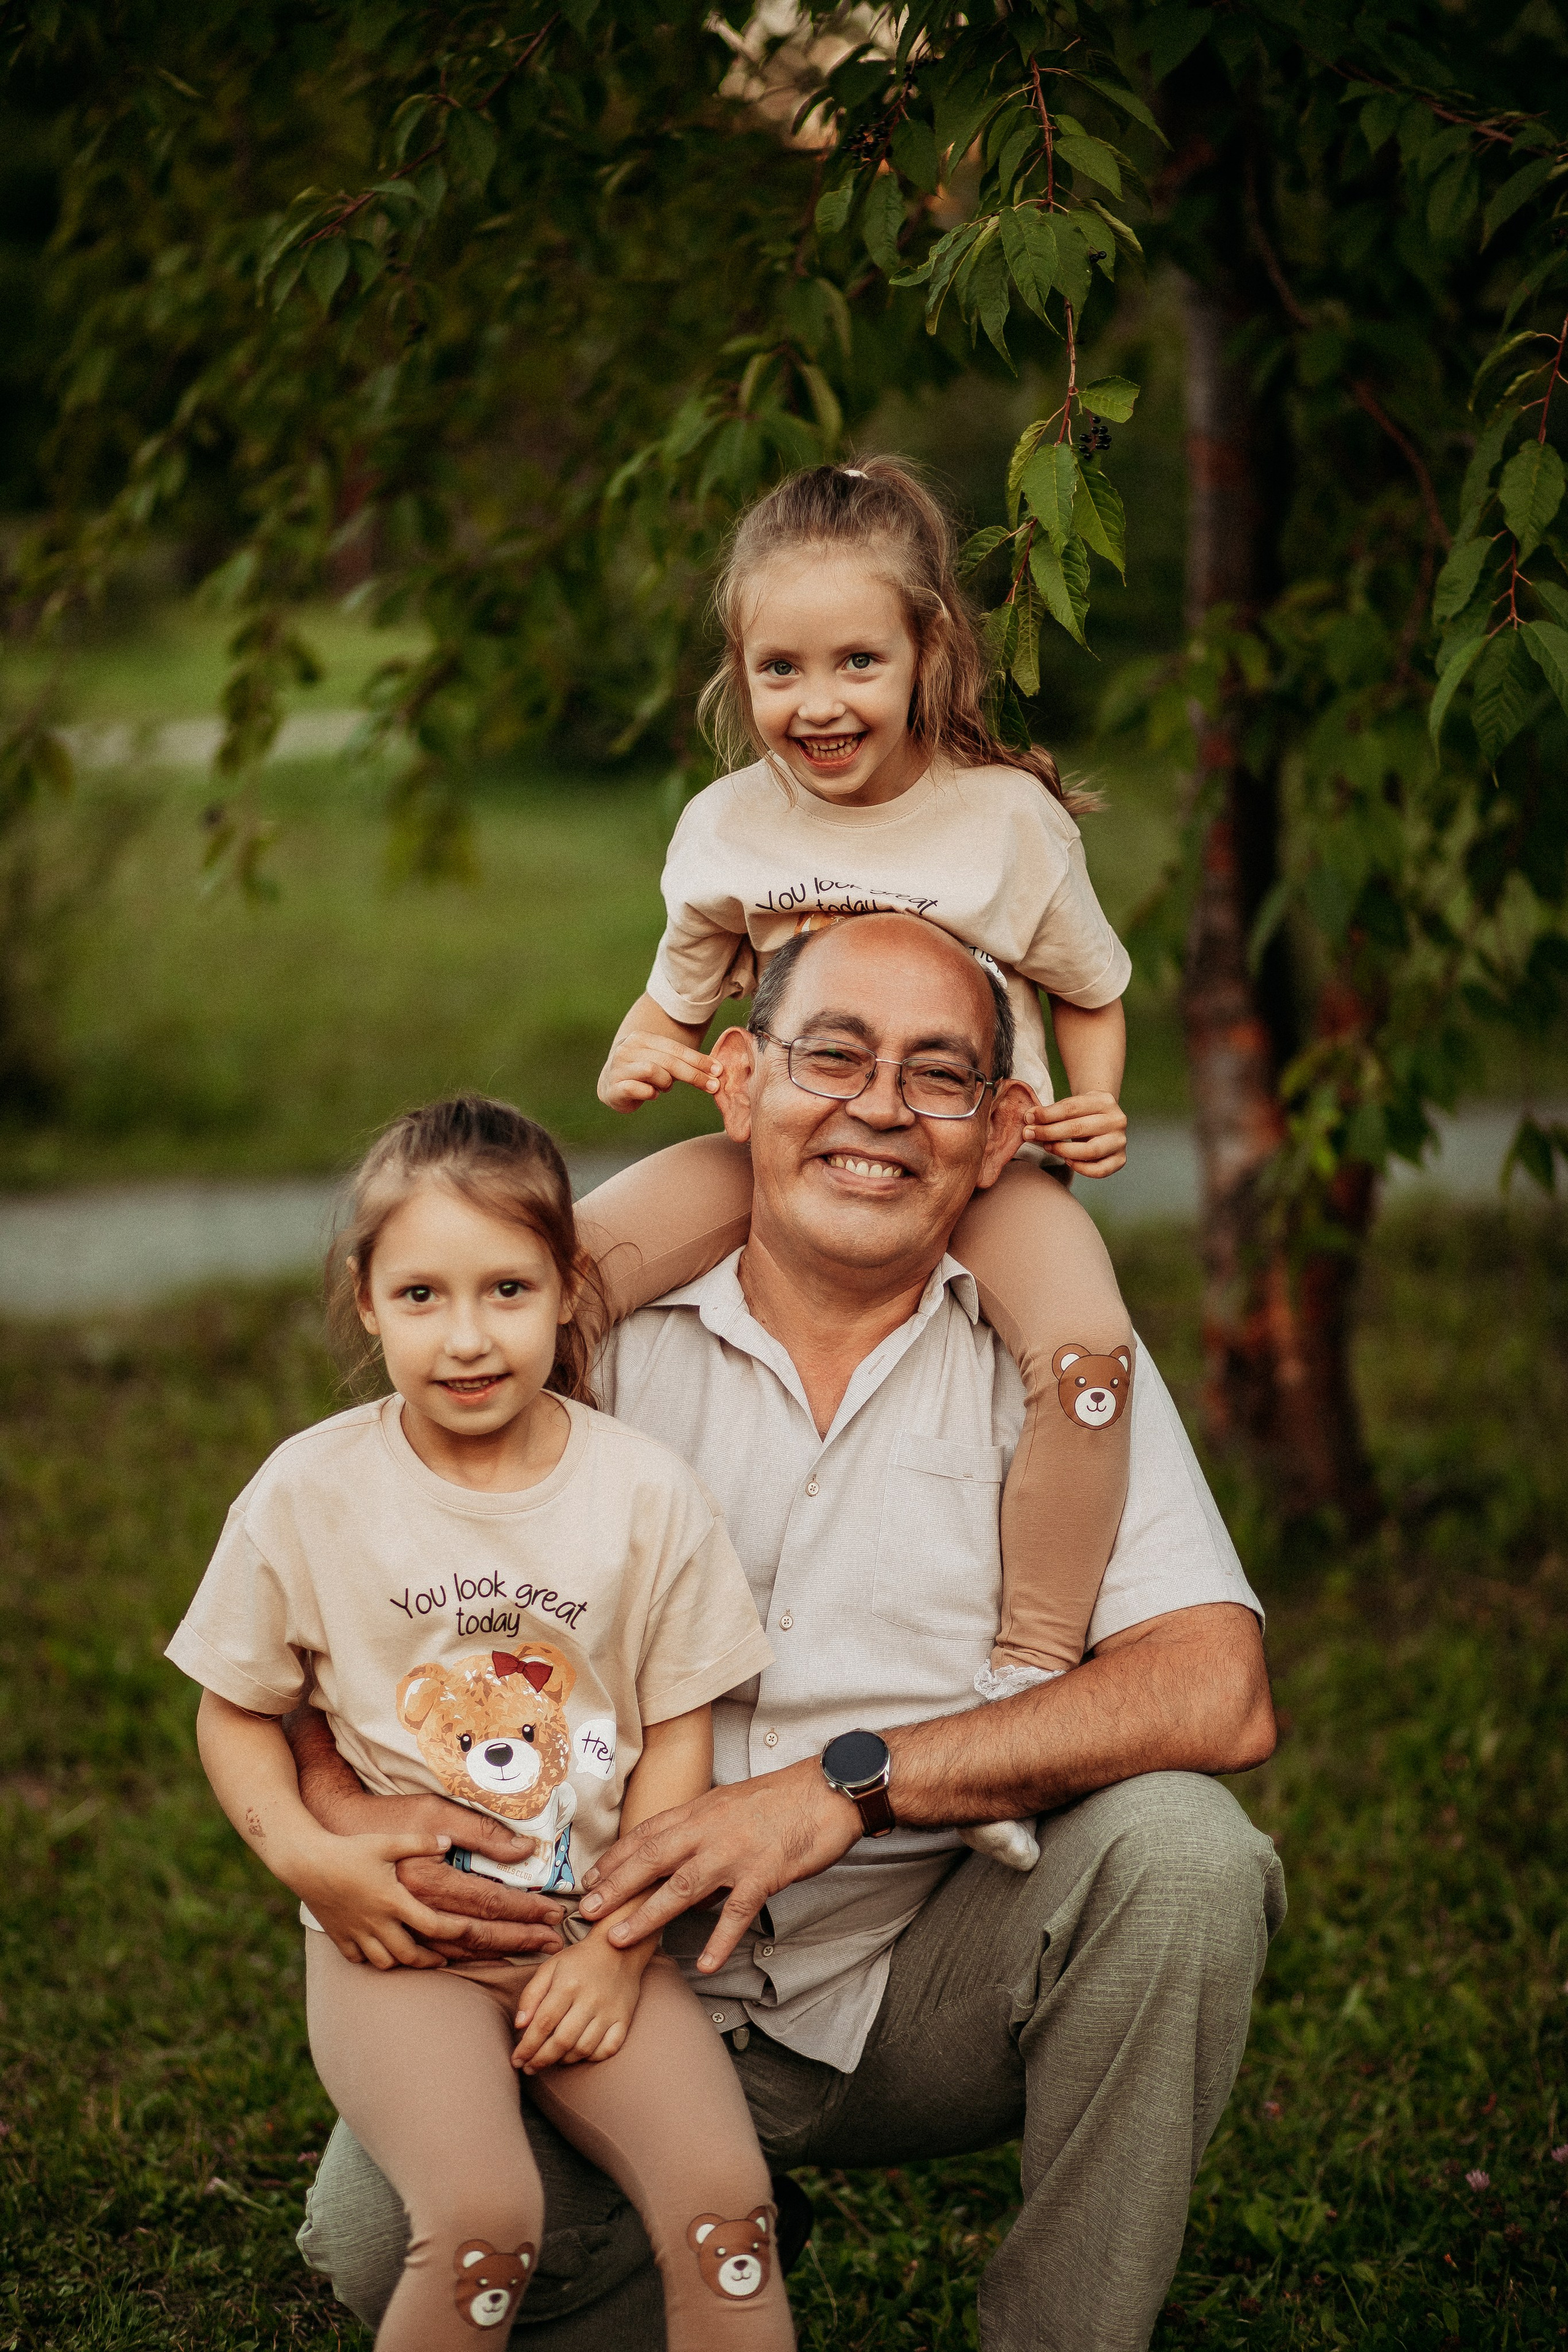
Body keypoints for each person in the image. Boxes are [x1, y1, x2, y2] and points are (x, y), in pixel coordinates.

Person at [292, 913, 1286, 2352]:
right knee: (377, 2243)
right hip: (600, 1978)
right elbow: (329, 1640)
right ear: (742, 1081)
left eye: (937, 1076)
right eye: (834, 1054)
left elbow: (1217, 1690)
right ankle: (709, 2215)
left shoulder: (1057, 1369)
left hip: (917, 1975)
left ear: (1001, 1128)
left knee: (1186, 1859)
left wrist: (843, 1787)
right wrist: (329, 1837)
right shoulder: (571, 1348)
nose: (878, 1108)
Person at [164, 1096, 793, 2352]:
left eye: (506, 1290)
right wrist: (307, 1859)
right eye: (422, 1297)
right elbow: (233, 1711)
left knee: (729, 2220)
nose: (466, 1339)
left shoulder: (642, 1496)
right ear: (365, 1298)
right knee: (481, 2222)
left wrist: (615, 1947)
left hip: (588, 1938)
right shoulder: (310, 1493)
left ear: (567, 1288)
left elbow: (678, 1733)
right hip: (402, 1947)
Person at [586, 459, 1136, 1757]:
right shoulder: (726, 828)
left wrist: (1092, 1106)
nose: (816, 705)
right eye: (778, 670)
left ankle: (1023, 1686)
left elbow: (1092, 990)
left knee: (1091, 1363)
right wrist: (642, 1061)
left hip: (976, 1178)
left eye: (853, 664)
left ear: (924, 651)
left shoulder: (1006, 825)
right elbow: (660, 1012)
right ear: (738, 670)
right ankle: (521, 1604)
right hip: (778, 1159)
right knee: (557, 1276)